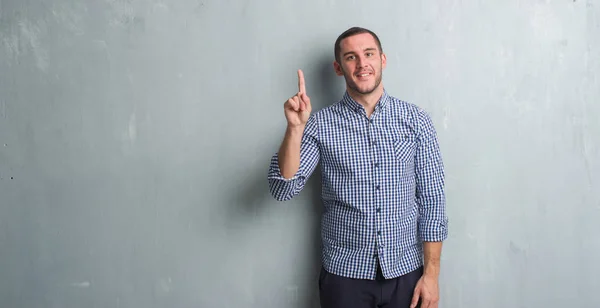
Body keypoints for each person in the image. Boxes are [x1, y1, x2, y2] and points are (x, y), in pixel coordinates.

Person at [267, 26, 448, 308]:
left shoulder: (416, 121)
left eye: (369, 54)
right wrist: (295, 129)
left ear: (382, 60)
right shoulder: (319, 124)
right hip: (344, 275)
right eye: (351, 57)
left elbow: (433, 200)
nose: (362, 64)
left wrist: (432, 276)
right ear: (338, 68)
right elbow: (283, 188)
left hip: (407, 273)